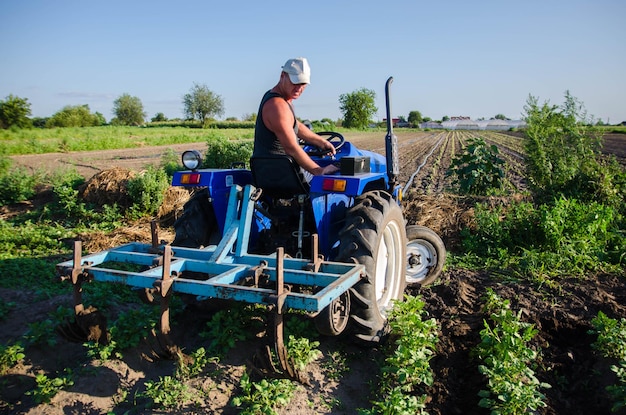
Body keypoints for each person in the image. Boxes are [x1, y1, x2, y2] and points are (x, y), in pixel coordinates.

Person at [252, 57, 339, 179]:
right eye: (295, 82)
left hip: (274, 168)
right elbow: (291, 148)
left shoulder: (281, 100)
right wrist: (318, 171)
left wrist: (320, 141)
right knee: (336, 176)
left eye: (303, 84)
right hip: (282, 171)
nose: (299, 88)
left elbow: (294, 125)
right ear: (283, 76)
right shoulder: (277, 106)